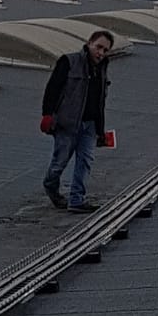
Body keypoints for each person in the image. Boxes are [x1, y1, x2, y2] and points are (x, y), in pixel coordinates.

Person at [40, 30, 116, 211]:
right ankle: (51, 186)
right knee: (59, 164)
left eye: (105, 50)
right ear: (89, 43)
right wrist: (47, 115)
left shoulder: (102, 70)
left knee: (85, 161)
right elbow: (53, 89)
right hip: (67, 123)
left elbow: (99, 102)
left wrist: (100, 130)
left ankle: (76, 200)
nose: (101, 53)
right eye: (98, 47)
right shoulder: (69, 62)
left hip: (89, 125)